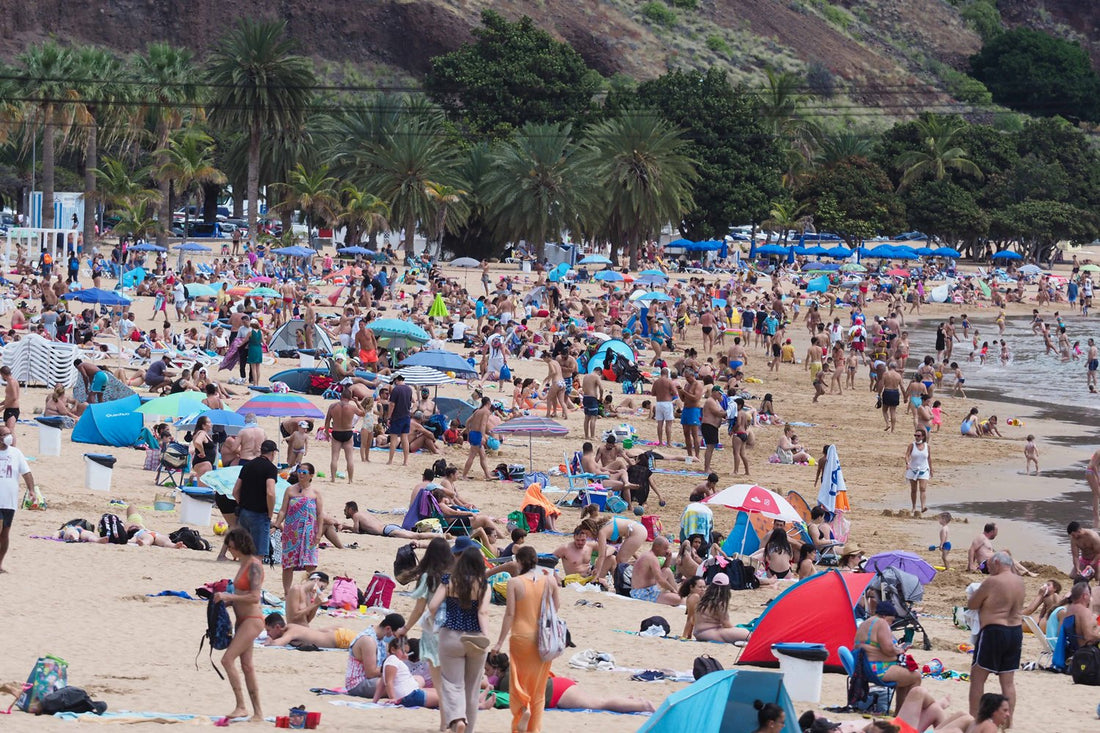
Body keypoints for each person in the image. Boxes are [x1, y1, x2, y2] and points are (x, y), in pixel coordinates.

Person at [492, 545, 560, 733]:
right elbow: (556, 606)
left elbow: (510, 614)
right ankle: (534, 729)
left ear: (519, 561)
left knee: (518, 682)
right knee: (538, 687)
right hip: (542, 638)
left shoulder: (515, 582)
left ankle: (523, 708)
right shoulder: (549, 580)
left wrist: (499, 642)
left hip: (520, 636)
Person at [429, 545, 492, 733]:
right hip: (475, 637)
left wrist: (435, 622)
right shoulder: (483, 584)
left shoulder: (449, 580)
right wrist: (485, 636)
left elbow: (433, 606)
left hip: (451, 636)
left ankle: (457, 719)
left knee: (451, 683)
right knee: (472, 689)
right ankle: (468, 729)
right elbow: (483, 611)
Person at [395, 536, 453, 729]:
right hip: (456, 631)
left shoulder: (427, 577)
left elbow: (419, 609)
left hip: (433, 633)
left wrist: (405, 629)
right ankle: (458, 718)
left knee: (439, 682)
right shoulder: (456, 576)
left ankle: (446, 722)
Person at [484, 653, 655, 714]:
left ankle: (643, 706)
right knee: (599, 700)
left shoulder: (506, 680)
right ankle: (632, 701)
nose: (486, 674)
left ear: (496, 668)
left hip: (557, 693)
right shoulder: (511, 670)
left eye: (487, 670)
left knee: (600, 704)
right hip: (557, 685)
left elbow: (509, 700)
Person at [212, 528, 265, 722]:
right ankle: (258, 712)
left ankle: (241, 706)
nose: (231, 551)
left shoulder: (254, 565)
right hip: (241, 620)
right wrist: (227, 602)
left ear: (240, 546)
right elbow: (242, 596)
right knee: (247, 666)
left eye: (232, 547)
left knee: (227, 660)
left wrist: (229, 595)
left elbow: (254, 596)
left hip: (253, 620)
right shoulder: (242, 564)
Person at [967, 552, 1025, 724]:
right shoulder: (1019, 581)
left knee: (977, 677)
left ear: (998, 562)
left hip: (994, 630)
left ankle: (975, 719)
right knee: (1008, 682)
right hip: (1015, 631)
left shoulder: (993, 581)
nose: (988, 569)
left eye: (989, 565)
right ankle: (1008, 722)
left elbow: (973, 604)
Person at [853, 600, 922, 711]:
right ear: (885, 616)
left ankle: (899, 713)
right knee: (916, 677)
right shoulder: (881, 623)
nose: (891, 623)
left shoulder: (866, 623)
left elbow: (875, 648)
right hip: (876, 670)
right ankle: (907, 715)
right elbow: (888, 649)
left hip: (863, 669)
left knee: (905, 679)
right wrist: (900, 650)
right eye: (891, 620)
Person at [273, 462, 322, 596]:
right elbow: (283, 510)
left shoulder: (315, 492)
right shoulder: (290, 490)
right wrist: (277, 524)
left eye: (304, 472)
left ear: (311, 475)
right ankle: (287, 593)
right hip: (291, 532)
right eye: (299, 471)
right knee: (288, 564)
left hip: (309, 533)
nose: (301, 474)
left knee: (311, 564)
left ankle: (313, 593)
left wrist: (319, 533)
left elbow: (319, 514)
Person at [232, 439, 279, 559]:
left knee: (245, 552)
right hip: (260, 513)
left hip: (244, 512)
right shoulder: (270, 468)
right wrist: (270, 513)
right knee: (258, 554)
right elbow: (270, 492)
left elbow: (235, 491)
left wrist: (242, 504)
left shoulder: (248, 465)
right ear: (273, 453)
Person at [345, 612, 407, 699]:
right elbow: (371, 672)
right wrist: (393, 667)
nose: (393, 638)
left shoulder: (379, 638)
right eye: (394, 635)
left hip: (373, 679)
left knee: (408, 680)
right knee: (400, 684)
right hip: (358, 683)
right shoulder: (368, 641)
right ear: (388, 629)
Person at [0, 423, 34, 573]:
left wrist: (31, 490)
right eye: (5, 434)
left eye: (10, 433)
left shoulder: (16, 453)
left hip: (10, 501)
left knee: (5, 534)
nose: (9, 436)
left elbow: (26, 472)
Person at [374, 636, 439, 708]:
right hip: (410, 696)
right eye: (403, 651)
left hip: (412, 693)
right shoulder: (392, 660)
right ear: (393, 650)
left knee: (438, 693)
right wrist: (393, 698)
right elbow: (389, 682)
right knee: (443, 698)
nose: (406, 654)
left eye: (406, 652)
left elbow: (382, 683)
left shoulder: (392, 661)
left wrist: (375, 701)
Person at [692, 573, 751, 642]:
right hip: (709, 632)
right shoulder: (720, 602)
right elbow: (726, 624)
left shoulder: (704, 597)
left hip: (698, 632)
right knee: (747, 634)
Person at [342, 501, 437, 541]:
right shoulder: (363, 514)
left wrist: (346, 527)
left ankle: (440, 536)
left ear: (351, 510)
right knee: (415, 535)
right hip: (389, 527)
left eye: (346, 510)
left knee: (417, 536)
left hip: (388, 531)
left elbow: (356, 530)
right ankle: (438, 535)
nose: (345, 512)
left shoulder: (356, 516)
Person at [325, 386, 362, 483]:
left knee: (334, 457)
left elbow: (327, 420)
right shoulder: (352, 407)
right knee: (349, 458)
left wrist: (326, 432)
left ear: (341, 396)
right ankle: (350, 480)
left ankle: (333, 478)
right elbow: (363, 413)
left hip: (336, 432)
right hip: (347, 432)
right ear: (350, 398)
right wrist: (357, 402)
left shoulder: (332, 406)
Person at [629, 536, 681, 605]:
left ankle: (678, 593)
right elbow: (660, 580)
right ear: (657, 547)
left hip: (647, 589)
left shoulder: (650, 555)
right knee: (677, 599)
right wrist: (672, 590)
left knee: (667, 570)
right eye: (665, 549)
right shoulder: (652, 558)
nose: (667, 551)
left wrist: (668, 559)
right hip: (642, 593)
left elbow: (662, 570)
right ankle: (677, 594)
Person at [262, 614, 357, 650]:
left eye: (268, 630)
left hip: (341, 639)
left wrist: (269, 640)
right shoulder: (290, 627)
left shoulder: (291, 632)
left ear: (277, 627)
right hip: (339, 636)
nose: (267, 634)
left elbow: (278, 644)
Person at [462, 397, 494, 481]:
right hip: (478, 434)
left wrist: (469, 433)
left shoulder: (477, 411)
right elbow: (483, 425)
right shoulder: (486, 412)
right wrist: (483, 436)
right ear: (488, 403)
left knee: (482, 455)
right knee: (472, 455)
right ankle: (464, 475)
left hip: (473, 433)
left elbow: (467, 422)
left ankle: (487, 475)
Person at [387, 374, 414, 466]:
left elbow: (392, 405)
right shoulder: (409, 389)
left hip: (397, 417)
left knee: (393, 439)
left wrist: (389, 417)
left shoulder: (396, 390)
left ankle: (390, 460)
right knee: (405, 439)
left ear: (396, 380)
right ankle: (405, 461)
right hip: (406, 416)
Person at [904, 427, 932, 514]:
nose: (916, 437)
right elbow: (907, 455)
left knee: (923, 488)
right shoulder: (911, 445)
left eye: (918, 435)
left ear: (923, 436)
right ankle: (913, 507)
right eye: (915, 435)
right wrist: (907, 463)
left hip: (924, 469)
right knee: (913, 489)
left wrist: (931, 469)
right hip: (913, 469)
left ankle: (923, 506)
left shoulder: (927, 446)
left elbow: (929, 458)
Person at [190, 415, 216, 481]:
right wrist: (202, 452)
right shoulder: (202, 433)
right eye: (209, 422)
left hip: (203, 463)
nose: (211, 424)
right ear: (203, 425)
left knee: (203, 486)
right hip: (203, 463)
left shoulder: (201, 433)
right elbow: (198, 442)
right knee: (204, 488)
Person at [0, 365, 19, 445]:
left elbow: (14, 397)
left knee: (10, 431)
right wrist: (1, 404)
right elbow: (9, 398)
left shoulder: (11, 382)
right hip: (9, 408)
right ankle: (9, 447)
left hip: (13, 409)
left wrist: (3, 408)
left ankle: (13, 448)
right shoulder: (10, 381)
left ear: (3, 374)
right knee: (8, 430)